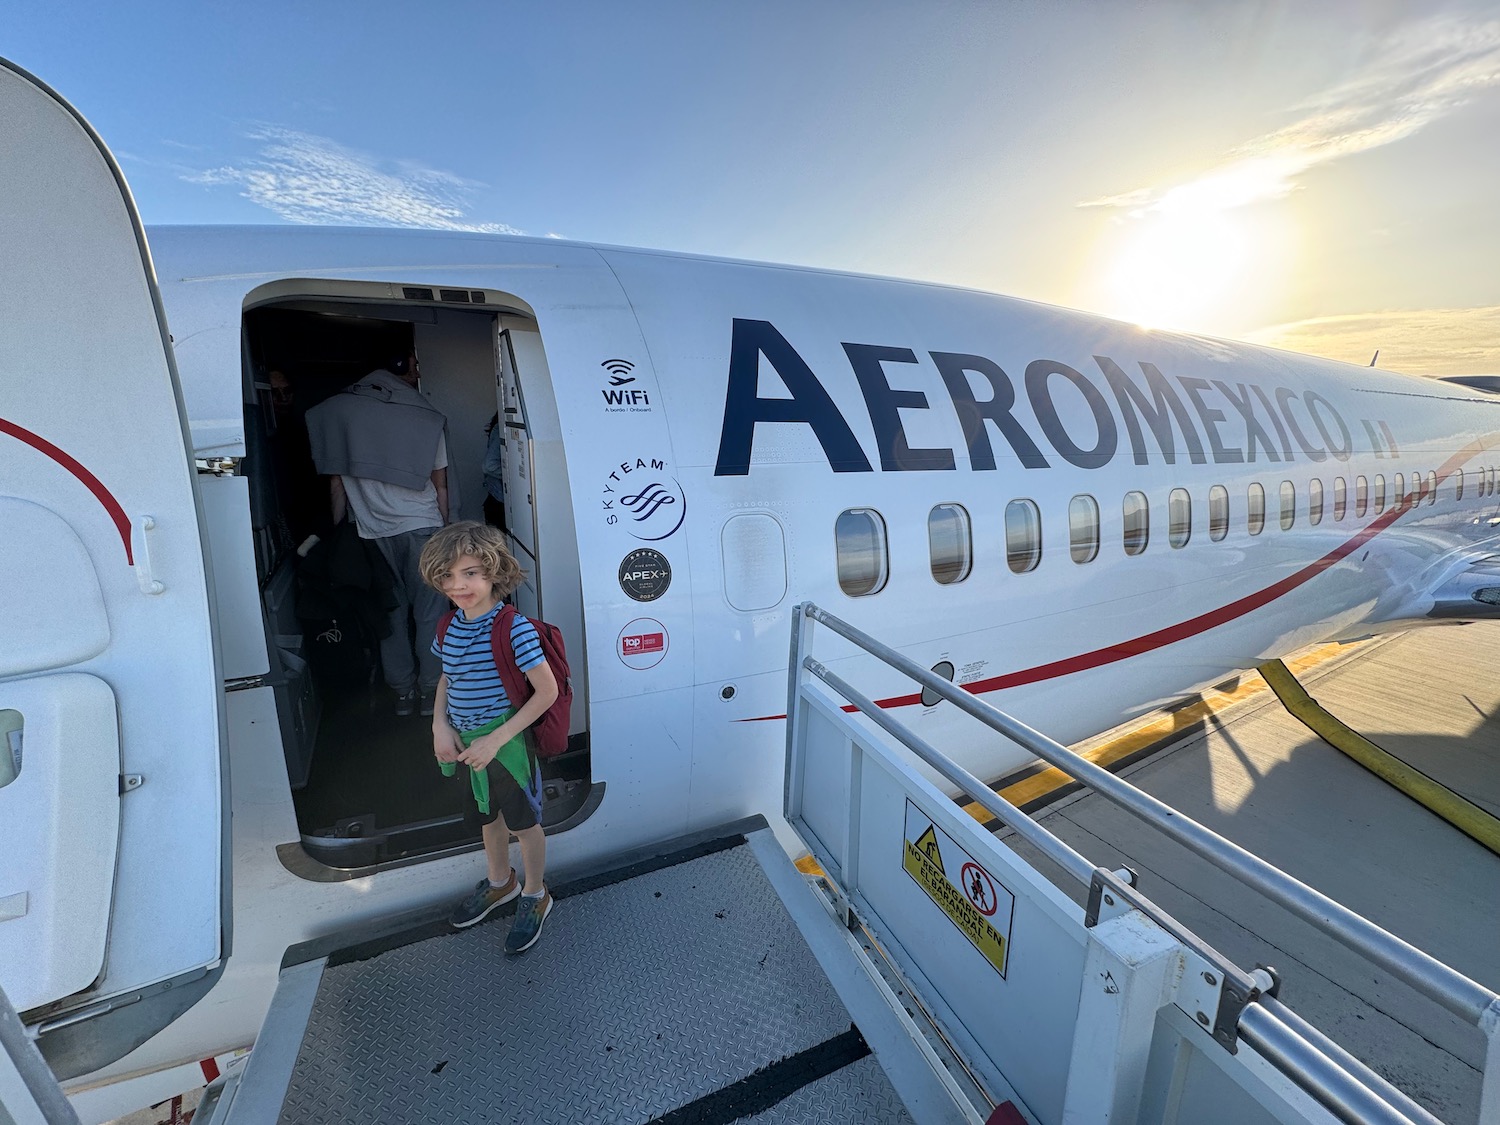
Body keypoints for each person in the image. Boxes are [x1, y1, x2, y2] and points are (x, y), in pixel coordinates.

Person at [419, 521, 559, 953]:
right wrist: (439, 725)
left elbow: (546, 691)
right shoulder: (448, 626)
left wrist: (496, 739)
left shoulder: (513, 627)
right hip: (466, 744)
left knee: (524, 824)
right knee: (488, 817)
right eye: (447, 576)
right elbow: (448, 678)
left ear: (495, 573)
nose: (457, 585)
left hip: (505, 745)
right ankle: (502, 882)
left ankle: (536, 893)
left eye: (470, 574)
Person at [305, 351, 451, 717]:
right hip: (423, 527)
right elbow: (441, 486)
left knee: (388, 614)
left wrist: (340, 535)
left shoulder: (340, 418)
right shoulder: (423, 419)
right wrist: (448, 534)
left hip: (372, 532)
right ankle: (432, 689)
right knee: (430, 612)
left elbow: (337, 486)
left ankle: (403, 693)